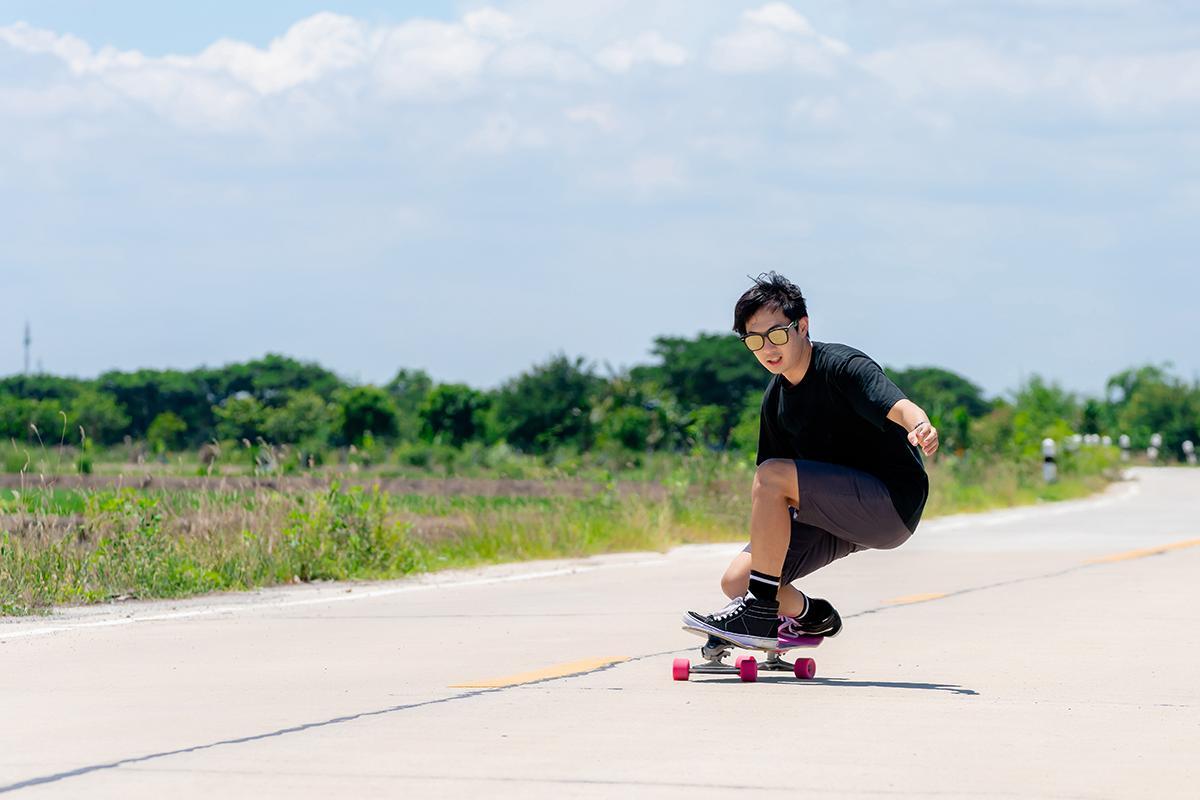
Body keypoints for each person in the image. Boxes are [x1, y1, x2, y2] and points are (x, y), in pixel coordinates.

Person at [682, 272, 939, 650]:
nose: (768, 348)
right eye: (754, 341)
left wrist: (921, 425)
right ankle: (810, 616)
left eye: (777, 334)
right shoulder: (776, 400)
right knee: (738, 582)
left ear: (802, 326)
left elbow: (898, 404)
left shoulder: (841, 366)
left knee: (772, 477)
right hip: (830, 514)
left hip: (889, 502)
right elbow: (772, 496)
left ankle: (757, 615)